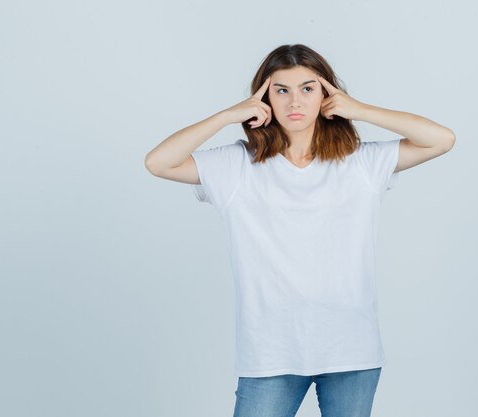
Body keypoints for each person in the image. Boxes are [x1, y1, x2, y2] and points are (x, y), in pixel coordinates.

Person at [144, 44, 455, 417]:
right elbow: (158, 162)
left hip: (350, 350)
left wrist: (359, 110)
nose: (295, 101)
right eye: (282, 90)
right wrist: (227, 116)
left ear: (326, 95)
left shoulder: (361, 163)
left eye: (308, 88)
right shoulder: (237, 167)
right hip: (270, 354)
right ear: (264, 98)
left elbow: (442, 139)